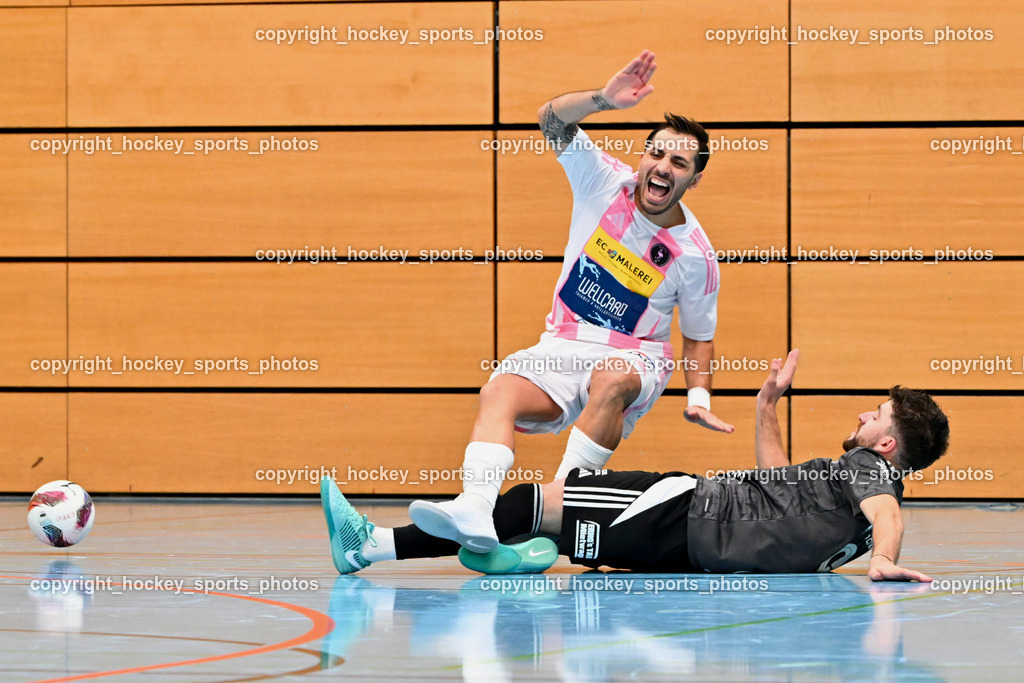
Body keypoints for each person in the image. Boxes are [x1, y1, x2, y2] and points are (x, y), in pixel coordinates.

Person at [405, 49, 730, 558]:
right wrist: (602, 99)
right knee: (499, 391)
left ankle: (554, 515)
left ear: (693, 179)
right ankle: (473, 508)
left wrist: (698, 399)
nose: (663, 166)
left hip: (637, 357)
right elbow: (550, 120)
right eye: (656, 154)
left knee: (612, 379)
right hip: (562, 343)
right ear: (643, 158)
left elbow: (699, 335)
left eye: (679, 162)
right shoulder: (604, 181)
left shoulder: (695, 256)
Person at [322, 350, 951, 581]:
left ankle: (369, 546)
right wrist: (766, 407)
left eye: (876, 415)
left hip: (689, 510)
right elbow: (777, 481)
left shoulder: (870, 477)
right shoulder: (851, 490)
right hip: (694, 541)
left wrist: (888, 561)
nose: (864, 418)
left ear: (887, 445)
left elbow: (885, 514)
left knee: (534, 503)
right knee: (548, 518)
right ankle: (506, 551)